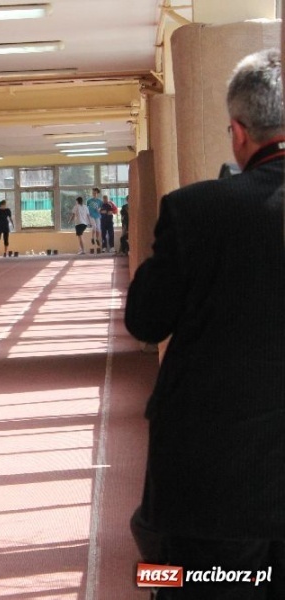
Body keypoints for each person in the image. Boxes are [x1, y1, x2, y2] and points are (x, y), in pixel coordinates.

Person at [125, 48, 285, 600]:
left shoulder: (197, 210)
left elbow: (146, 319)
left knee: (190, 583)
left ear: (238, 132)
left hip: (214, 483)